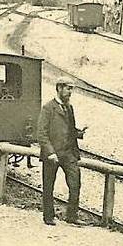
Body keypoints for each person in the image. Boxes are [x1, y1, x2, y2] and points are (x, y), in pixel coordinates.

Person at [37, 78, 87, 226]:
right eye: (68, 88)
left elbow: (70, 129)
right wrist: (50, 152)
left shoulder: (69, 108)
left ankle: (71, 216)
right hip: (52, 154)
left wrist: (79, 133)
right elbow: (41, 133)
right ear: (59, 88)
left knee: (75, 183)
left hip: (68, 154)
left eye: (72, 89)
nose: (70, 92)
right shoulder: (48, 108)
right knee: (48, 185)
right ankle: (48, 216)